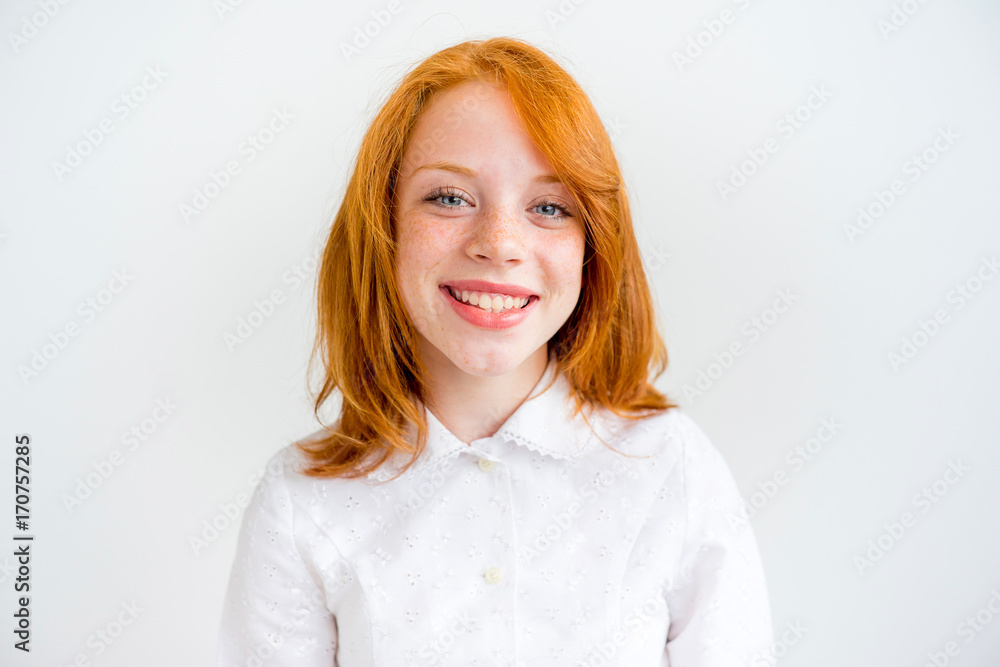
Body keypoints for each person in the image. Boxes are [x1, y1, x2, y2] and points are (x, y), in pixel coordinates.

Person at [217, 36, 773, 666]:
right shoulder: (299, 502)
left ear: (593, 246)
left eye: (550, 206)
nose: (501, 243)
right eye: (449, 197)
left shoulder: (673, 468)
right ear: (384, 225)